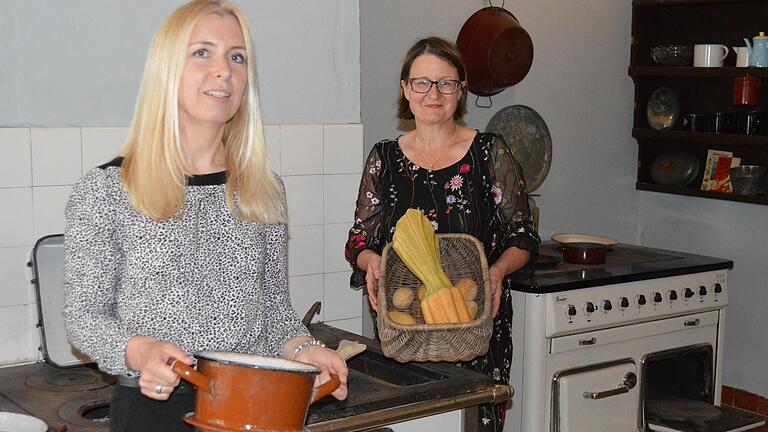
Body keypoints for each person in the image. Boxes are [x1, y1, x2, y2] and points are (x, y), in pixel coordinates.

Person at [63, 2, 348, 431]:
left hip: (252, 405)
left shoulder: (262, 191)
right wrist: (138, 349)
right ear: (167, 68)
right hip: (152, 411)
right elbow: (84, 316)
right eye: (202, 52)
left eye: (237, 56)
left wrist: (303, 350)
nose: (224, 70)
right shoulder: (106, 190)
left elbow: (271, 309)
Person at [344, 36, 539, 432]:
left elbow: (524, 236)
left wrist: (498, 271)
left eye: (446, 83)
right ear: (405, 89)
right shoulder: (384, 159)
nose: (433, 93)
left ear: (460, 90)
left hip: (475, 333)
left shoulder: (490, 153)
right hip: (406, 333)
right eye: (422, 82)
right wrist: (371, 262)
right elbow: (359, 240)